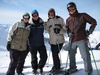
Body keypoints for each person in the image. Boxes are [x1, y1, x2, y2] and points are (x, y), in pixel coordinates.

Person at [66, 2, 97, 75]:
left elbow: (93, 22)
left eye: (73, 8)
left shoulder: (82, 15)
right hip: (72, 40)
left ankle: (88, 71)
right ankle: (72, 68)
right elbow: (67, 29)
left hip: (81, 39)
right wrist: (69, 34)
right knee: (71, 56)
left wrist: (89, 31)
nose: (71, 10)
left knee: (85, 56)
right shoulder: (68, 19)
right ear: (68, 10)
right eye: (70, 9)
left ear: (75, 8)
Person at [44, 8, 66, 74]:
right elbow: (48, 31)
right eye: (50, 14)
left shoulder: (60, 19)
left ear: (54, 13)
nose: (51, 15)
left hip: (60, 40)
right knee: (54, 54)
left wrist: (59, 31)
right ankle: (56, 66)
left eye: (52, 13)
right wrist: (44, 25)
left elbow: (65, 29)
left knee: (55, 54)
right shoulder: (48, 22)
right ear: (48, 15)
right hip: (52, 41)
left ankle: (57, 68)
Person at [29, 9, 47, 74]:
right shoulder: (29, 24)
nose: (35, 16)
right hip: (32, 44)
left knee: (44, 56)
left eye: (36, 15)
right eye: (33, 15)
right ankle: (34, 68)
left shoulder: (42, 23)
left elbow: (48, 28)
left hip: (41, 43)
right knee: (34, 58)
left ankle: (40, 67)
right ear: (32, 16)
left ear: (38, 15)